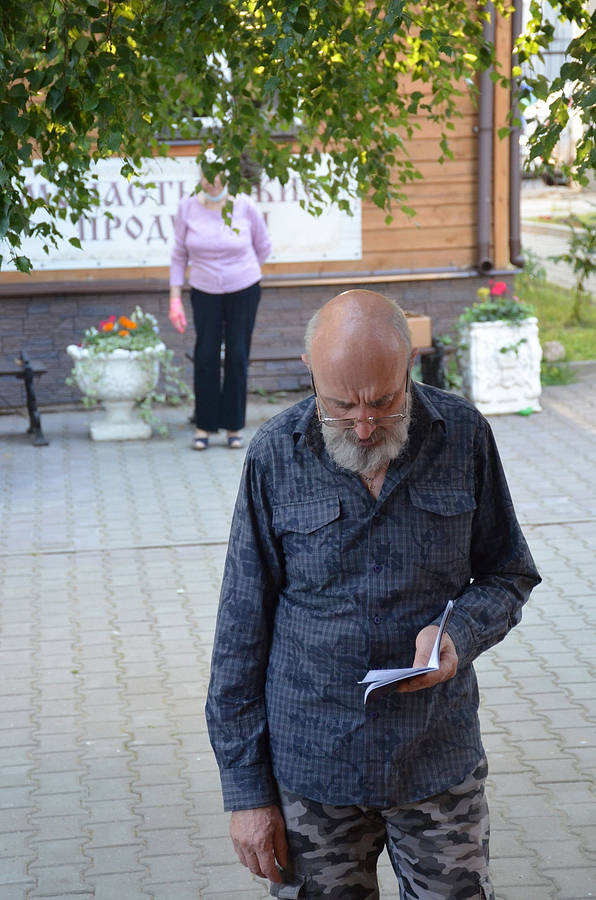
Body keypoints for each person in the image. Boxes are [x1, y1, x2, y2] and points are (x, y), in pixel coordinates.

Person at [205, 289, 541, 899]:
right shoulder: (274, 453)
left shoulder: (463, 434)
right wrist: (247, 792)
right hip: (313, 766)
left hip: (435, 757)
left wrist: (459, 635)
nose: (362, 426)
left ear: (409, 364)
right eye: (340, 406)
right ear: (310, 372)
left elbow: (509, 573)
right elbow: (239, 632)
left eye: (383, 402)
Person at [169, 169, 271, 450]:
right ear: (200, 175)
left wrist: (241, 271)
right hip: (204, 290)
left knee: (237, 355)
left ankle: (233, 427)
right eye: (207, 176)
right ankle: (204, 426)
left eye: (218, 176)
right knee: (205, 356)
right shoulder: (187, 207)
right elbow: (179, 254)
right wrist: (175, 296)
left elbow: (263, 247)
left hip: (243, 288)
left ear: (227, 176)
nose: (212, 182)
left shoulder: (244, 205)